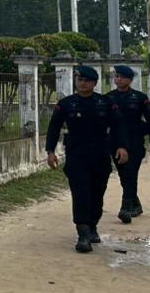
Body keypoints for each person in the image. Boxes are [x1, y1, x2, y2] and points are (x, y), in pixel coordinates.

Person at [44, 65, 130, 253]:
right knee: (80, 193)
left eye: (86, 81)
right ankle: (83, 234)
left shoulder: (105, 103)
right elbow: (53, 128)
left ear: (94, 83)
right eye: (79, 80)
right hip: (76, 155)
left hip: (100, 155)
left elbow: (119, 125)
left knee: (97, 194)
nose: (82, 84)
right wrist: (50, 151)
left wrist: (122, 147)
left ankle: (92, 226)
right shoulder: (66, 104)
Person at [106, 64, 150, 223]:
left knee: (130, 173)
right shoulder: (109, 98)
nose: (118, 79)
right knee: (124, 175)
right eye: (117, 76)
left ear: (130, 80)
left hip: (135, 141)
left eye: (122, 77)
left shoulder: (140, 98)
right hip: (115, 142)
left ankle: (125, 208)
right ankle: (136, 204)